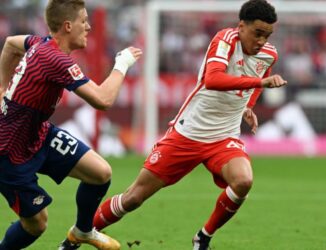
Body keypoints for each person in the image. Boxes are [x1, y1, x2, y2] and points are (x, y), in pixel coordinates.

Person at [92, 0, 286, 249]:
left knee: (243, 181)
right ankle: (81, 232)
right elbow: (213, 79)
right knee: (134, 197)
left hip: (223, 136)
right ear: (241, 26)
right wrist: (259, 85)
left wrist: (248, 105)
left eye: (267, 35)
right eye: (258, 33)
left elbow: (258, 79)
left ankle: (203, 237)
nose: (261, 41)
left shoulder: (269, 54)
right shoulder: (225, 39)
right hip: (188, 133)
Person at [0, 0, 142, 249]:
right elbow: (102, 99)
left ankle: (82, 231)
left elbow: (11, 43)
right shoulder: (56, 60)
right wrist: (122, 63)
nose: (88, 27)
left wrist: (2, 86)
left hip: (38, 134)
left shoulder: (39, 43)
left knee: (100, 173)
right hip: (9, 151)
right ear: (68, 26)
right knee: (37, 224)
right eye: (84, 21)